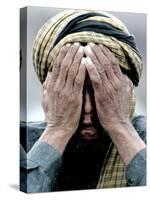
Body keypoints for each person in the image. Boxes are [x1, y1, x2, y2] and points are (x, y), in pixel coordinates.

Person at [20, 10, 146, 193]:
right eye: (74, 89)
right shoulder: (19, 142)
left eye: (100, 90)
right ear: (51, 90)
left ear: (124, 90)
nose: (87, 107)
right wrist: (58, 130)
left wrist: (120, 126)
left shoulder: (143, 138)